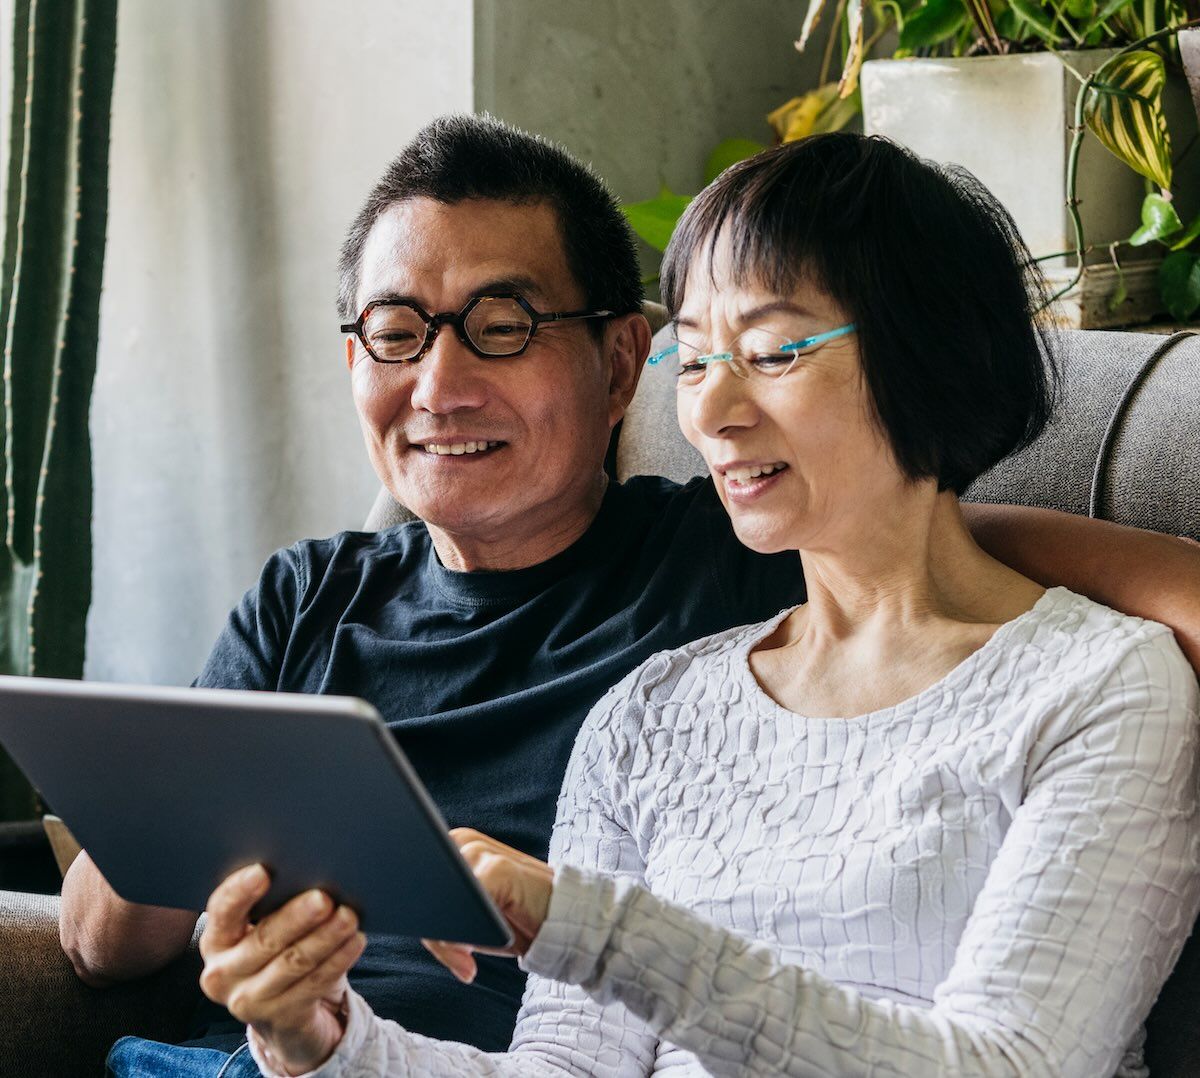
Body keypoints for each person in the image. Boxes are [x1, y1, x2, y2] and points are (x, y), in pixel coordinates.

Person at [61, 117, 1198, 1077]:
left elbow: (1011, 1063)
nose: (712, 413)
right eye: (695, 361)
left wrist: (582, 924)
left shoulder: (1090, 682)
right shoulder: (651, 710)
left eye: (774, 352)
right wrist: (318, 1040)